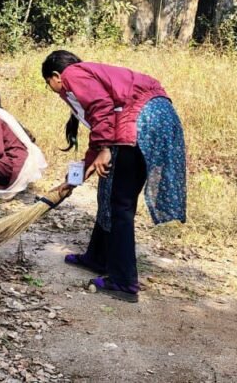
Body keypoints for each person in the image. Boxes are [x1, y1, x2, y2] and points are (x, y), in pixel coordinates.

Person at [42, 50, 186, 303]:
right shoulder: (94, 75)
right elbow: (100, 129)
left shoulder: (73, 74)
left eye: (49, 85)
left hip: (140, 122)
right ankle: (97, 257)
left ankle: (123, 281)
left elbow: (101, 108)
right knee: (108, 193)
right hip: (157, 119)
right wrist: (73, 180)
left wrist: (106, 149)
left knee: (120, 203)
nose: (54, 90)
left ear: (55, 76)